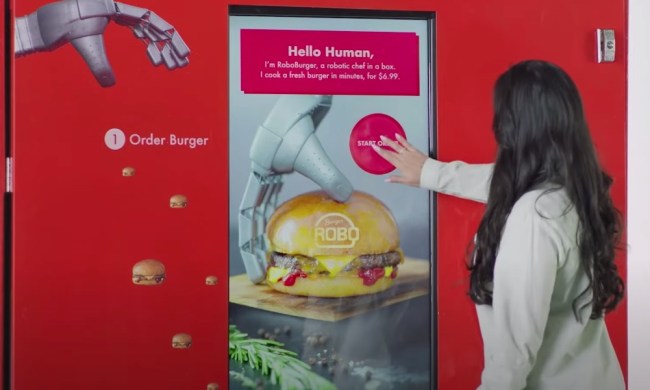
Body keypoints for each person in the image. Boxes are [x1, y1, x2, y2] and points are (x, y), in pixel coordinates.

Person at [372, 60, 625, 390]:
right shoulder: (575, 189)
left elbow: (513, 353)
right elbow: (504, 180)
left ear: (513, 126)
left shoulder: (534, 216)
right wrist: (431, 173)